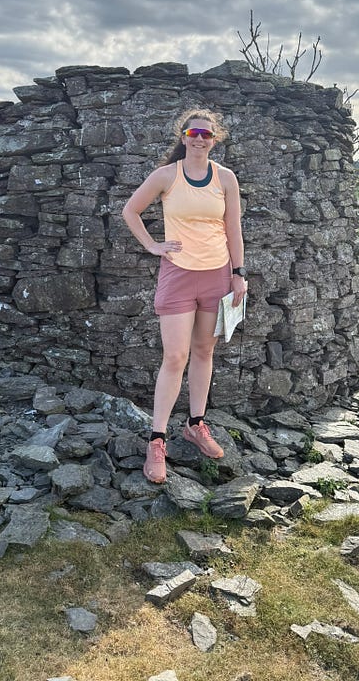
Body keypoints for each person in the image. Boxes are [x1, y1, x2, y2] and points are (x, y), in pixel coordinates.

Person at [122, 107, 248, 483]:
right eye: (193, 133)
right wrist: (153, 246)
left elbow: (234, 229)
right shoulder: (166, 176)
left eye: (206, 134)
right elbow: (131, 210)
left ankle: (195, 424)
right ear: (183, 137)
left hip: (217, 275)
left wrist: (239, 274)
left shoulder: (225, 178)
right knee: (175, 356)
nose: (199, 138)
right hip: (178, 275)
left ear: (215, 139)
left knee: (204, 351)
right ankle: (157, 439)